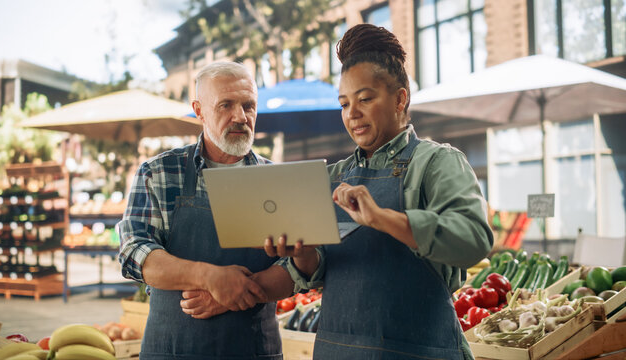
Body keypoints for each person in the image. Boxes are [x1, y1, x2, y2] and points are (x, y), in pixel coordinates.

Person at [264, 24, 494, 359]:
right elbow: (316, 270)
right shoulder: (330, 178)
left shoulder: (436, 163)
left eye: (365, 99)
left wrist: (383, 217)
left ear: (400, 98)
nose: (352, 113)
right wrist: (300, 251)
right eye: (344, 104)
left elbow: (474, 240)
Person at [117, 61, 293, 359]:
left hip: (254, 351)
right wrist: (208, 277)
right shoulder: (158, 173)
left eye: (249, 105)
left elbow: (300, 267)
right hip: (172, 350)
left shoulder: (276, 180)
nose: (240, 116)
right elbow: (134, 252)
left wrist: (235, 294)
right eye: (226, 105)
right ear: (199, 110)